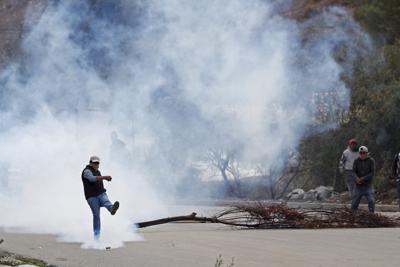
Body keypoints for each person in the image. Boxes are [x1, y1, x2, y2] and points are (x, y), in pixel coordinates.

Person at [82, 156, 119, 239]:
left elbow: (98, 182)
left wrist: (103, 185)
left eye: (97, 163)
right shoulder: (86, 171)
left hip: (101, 194)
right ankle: (97, 236)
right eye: (94, 163)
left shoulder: (98, 172)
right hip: (92, 197)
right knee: (96, 215)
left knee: (106, 202)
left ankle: (112, 209)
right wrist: (104, 177)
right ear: (90, 163)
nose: (96, 164)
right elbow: (91, 179)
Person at [351, 146, 375, 213]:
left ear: (367, 153)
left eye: (364, 153)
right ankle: (352, 215)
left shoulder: (371, 161)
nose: (362, 154)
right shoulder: (356, 161)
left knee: (371, 200)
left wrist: (363, 178)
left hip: (368, 185)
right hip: (358, 186)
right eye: (361, 153)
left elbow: (372, 173)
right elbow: (353, 172)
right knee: (354, 202)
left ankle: (371, 214)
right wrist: (356, 179)